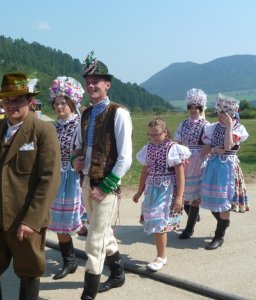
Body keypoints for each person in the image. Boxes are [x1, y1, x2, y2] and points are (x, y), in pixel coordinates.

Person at [0, 72, 61, 299]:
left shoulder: (44, 131)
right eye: (7, 100)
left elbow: (49, 179)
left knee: (29, 271)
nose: (11, 105)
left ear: (29, 101)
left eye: (17, 99)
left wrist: (32, 220)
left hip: (24, 219)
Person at [72, 52, 133, 300]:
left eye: (97, 81)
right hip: (87, 182)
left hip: (105, 187)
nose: (92, 85)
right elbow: (79, 146)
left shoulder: (119, 113)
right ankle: (117, 273)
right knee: (103, 231)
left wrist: (106, 186)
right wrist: (76, 159)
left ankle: (88, 294)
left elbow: (125, 158)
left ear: (107, 84)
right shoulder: (85, 114)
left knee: (94, 239)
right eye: (88, 81)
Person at [133, 117, 190, 271]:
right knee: (153, 220)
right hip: (152, 188)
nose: (154, 138)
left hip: (167, 188)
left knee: (160, 221)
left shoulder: (172, 148)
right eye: (150, 135)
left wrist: (179, 196)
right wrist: (139, 190)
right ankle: (161, 254)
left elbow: (180, 173)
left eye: (157, 134)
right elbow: (145, 170)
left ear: (165, 132)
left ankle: (161, 256)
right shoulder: (148, 148)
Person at [47, 76, 86, 280]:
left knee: (88, 223)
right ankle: (69, 262)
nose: (59, 106)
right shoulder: (54, 126)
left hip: (79, 178)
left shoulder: (81, 124)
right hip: (59, 178)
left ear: (72, 103)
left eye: (63, 103)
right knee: (60, 221)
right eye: (56, 103)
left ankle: (102, 254)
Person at [200, 94, 249, 250]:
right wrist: (215, 149)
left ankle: (219, 235)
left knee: (224, 201)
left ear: (232, 114)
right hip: (213, 165)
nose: (220, 116)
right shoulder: (212, 127)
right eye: (219, 113)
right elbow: (205, 150)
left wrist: (228, 127)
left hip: (228, 167)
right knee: (211, 199)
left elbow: (228, 147)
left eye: (224, 114)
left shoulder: (238, 128)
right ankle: (224, 222)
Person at [174, 88, 209, 240]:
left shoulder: (206, 125)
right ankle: (193, 216)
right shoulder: (183, 124)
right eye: (191, 106)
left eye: (197, 107)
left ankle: (189, 228)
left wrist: (202, 156)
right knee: (182, 193)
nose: (194, 109)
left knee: (194, 196)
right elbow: (178, 141)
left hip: (198, 161)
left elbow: (210, 144)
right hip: (184, 159)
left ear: (201, 108)